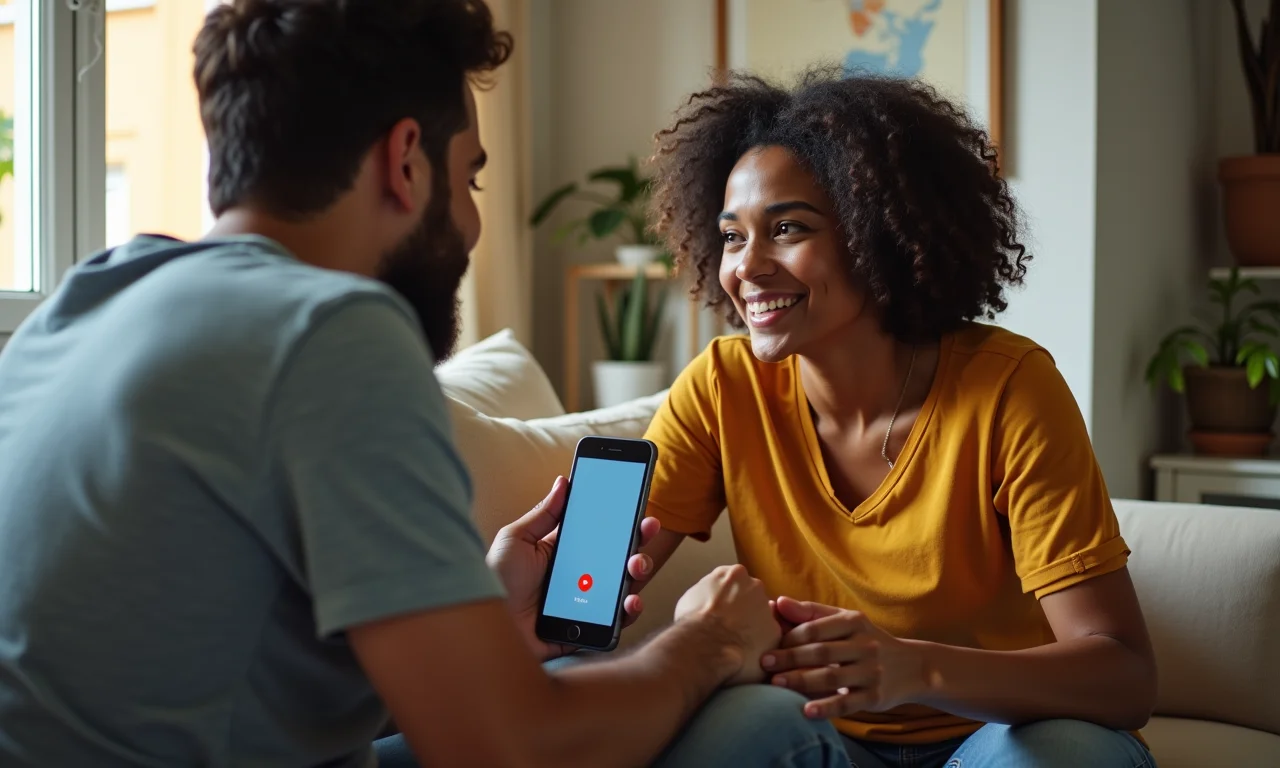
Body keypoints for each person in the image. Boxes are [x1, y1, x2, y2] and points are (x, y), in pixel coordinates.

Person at [0, 3, 849, 767]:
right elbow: (511, 749)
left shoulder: (92, 297)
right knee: (773, 730)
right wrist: (703, 643)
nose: (474, 221)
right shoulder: (328, 330)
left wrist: (488, 623)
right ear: (405, 162)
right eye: (472, 177)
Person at [636, 69, 1160, 768]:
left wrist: (915, 671)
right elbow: (584, 602)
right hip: (818, 736)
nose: (748, 268)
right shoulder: (722, 387)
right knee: (734, 725)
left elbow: (1124, 677)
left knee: (1064, 753)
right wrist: (694, 638)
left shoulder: (1007, 388)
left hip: (993, 735)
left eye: (787, 228)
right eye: (733, 237)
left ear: (876, 233)